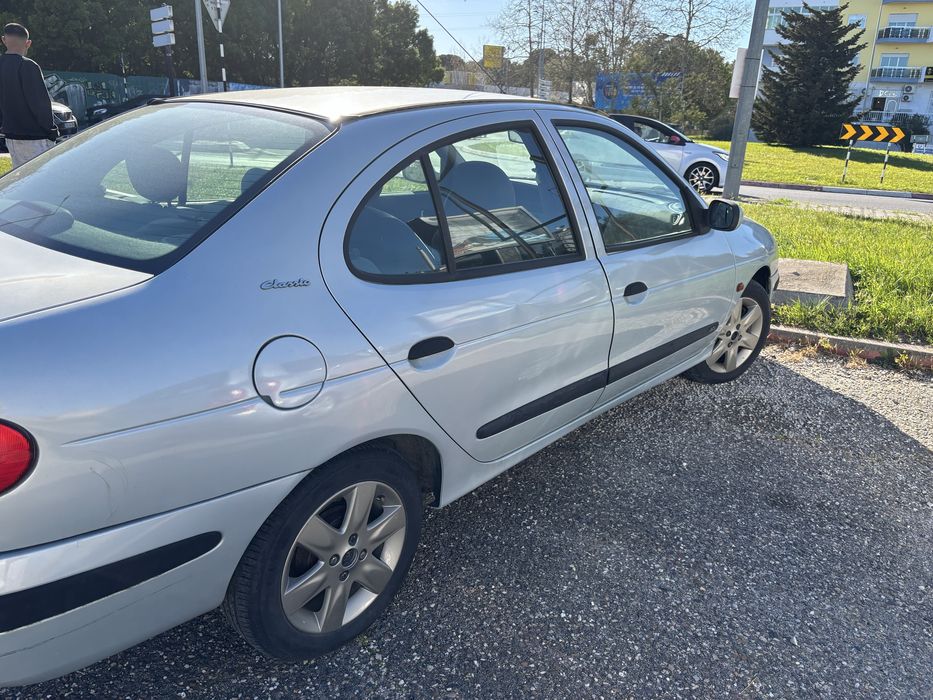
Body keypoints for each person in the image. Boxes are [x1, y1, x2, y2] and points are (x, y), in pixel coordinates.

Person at [0, 23, 58, 168]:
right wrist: (51, 132)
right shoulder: (29, 66)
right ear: (28, 43)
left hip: (10, 135)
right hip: (35, 137)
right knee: (42, 180)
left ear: (3, 40)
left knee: (21, 180)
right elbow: (41, 105)